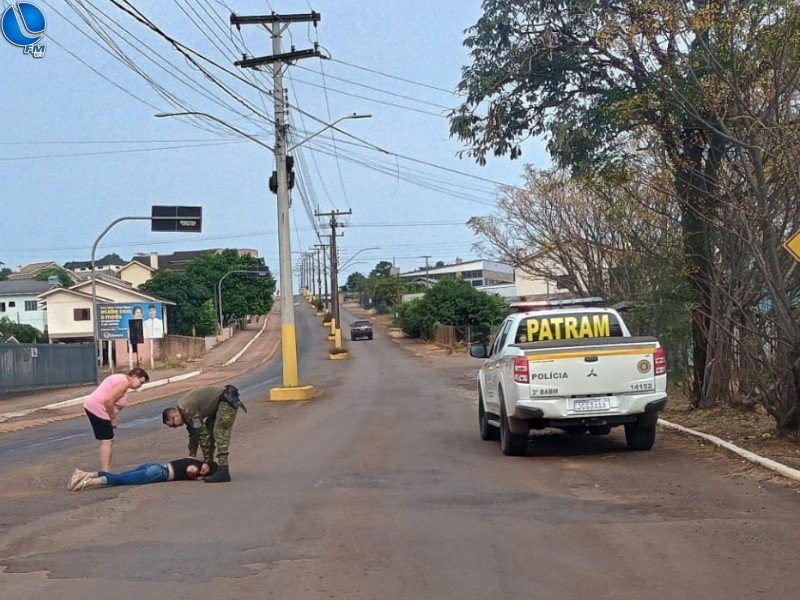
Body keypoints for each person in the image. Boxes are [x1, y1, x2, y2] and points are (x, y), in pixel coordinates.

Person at [161, 384, 246, 483]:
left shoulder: (186, 408)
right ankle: (213, 467)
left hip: (226, 401)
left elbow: (202, 434)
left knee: (219, 434)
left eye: (173, 424)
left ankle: (223, 470)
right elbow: (193, 433)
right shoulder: (184, 413)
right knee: (210, 432)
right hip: (218, 406)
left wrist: (207, 461)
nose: (175, 427)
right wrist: (191, 455)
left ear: (175, 415)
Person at [83, 367, 149, 472]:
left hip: (97, 408)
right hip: (98, 409)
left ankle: (107, 471)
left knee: (108, 440)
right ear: (134, 376)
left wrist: (112, 416)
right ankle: (106, 472)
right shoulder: (123, 383)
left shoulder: (121, 380)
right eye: (140, 382)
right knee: (107, 441)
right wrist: (112, 419)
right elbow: (108, 401)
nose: (140, 386)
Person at [67, 458, 218, 491]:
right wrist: (199, 476)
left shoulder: (193, 459)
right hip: (160, 473)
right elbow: (190, 470)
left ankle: (82, 474)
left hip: (156, 465)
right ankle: (88, 482)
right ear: (205, 464)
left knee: (121, 475)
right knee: (121, 480)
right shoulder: (196, 466)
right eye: (206, 468)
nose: (204, 471)